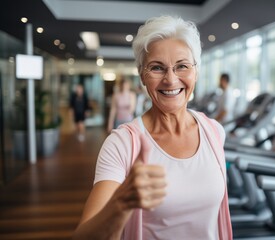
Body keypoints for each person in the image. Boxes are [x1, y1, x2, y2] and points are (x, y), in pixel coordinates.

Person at [73, 16, 232, 240]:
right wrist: (121, 202)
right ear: (142, 76)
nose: (170, 79)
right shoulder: (122, 144)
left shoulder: (215, 131)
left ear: (196, 72)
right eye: (157, 68)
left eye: (182, 66)